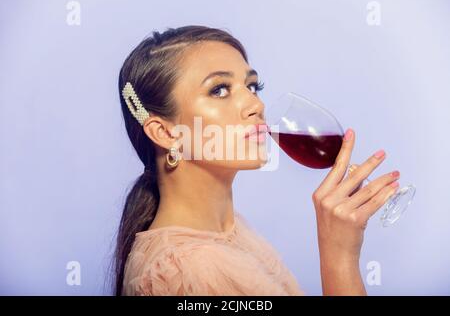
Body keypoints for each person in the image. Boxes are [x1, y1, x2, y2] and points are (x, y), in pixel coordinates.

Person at [113, 25, 400, 296]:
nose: (256, 105)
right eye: (219, 90)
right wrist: (339, 258)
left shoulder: (230, 231)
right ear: (164, 132)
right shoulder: (194, 269)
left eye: (252, 86)